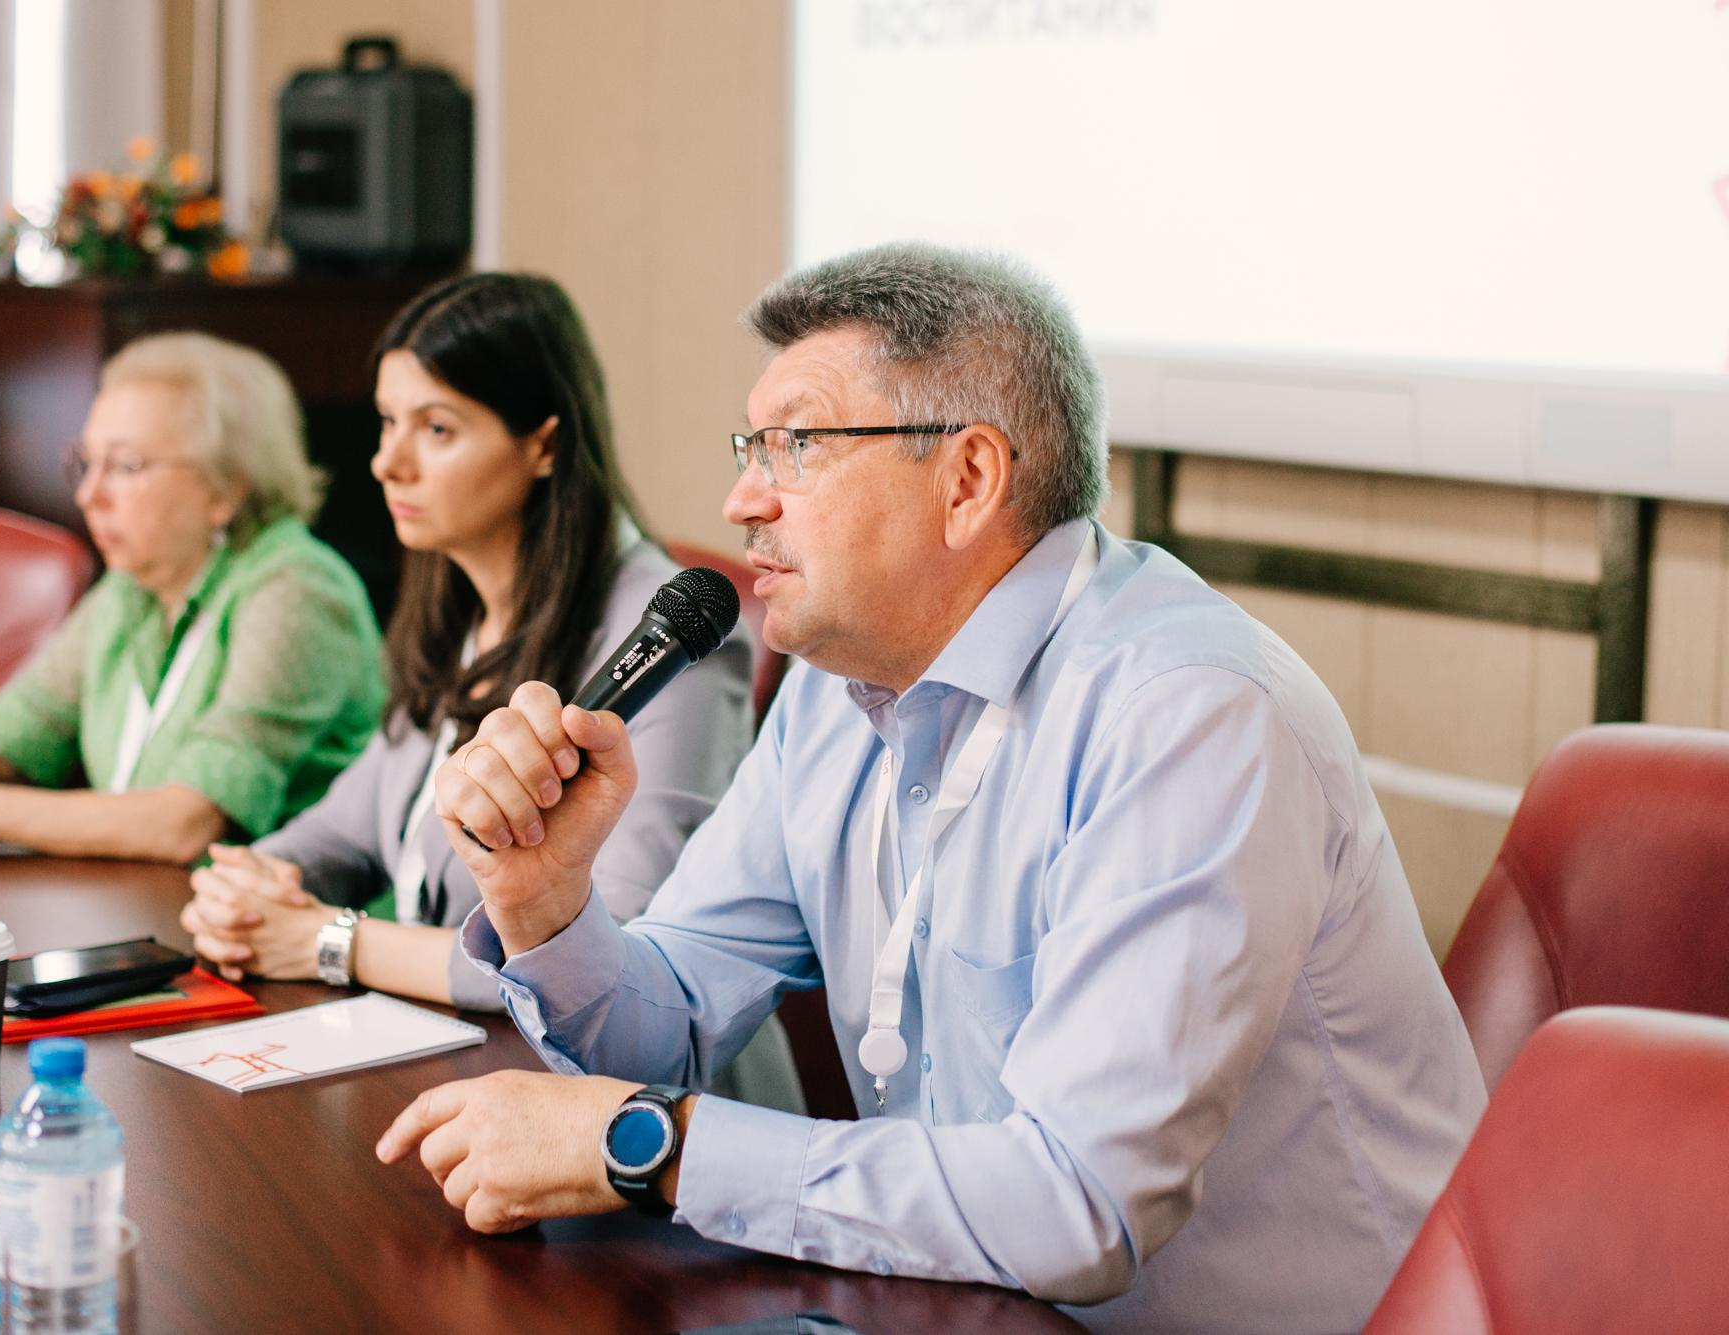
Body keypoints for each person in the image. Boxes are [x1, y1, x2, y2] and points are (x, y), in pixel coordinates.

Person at [375, 244, 1488, 1333]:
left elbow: (1076, 1206)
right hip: (947, 1302)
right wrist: (546, 902)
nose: (741, 498)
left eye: (793, 447)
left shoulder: (1188, 714)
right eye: (747, 447)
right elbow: (664, 1029)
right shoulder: (831, 693)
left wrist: (653, 1146)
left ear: (966, 479)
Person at [176, 274, 775, 1052]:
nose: (387, 463)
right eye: (388, 422)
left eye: (436, 430)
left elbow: (620, 954)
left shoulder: (663, 649)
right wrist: (244, 890)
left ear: (546, 444)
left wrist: (335, 941)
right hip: (459, 1053)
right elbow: (346, 833)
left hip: (634, 1100)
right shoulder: (458, 610)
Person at [0, 333, 386, 864]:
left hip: (282, 945)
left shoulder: (297, 591)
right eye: (86, 463)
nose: (89, 495)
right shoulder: (131, 588)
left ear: (226, 488)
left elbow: (185, 823)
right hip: (148, 909)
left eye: (125, 467)